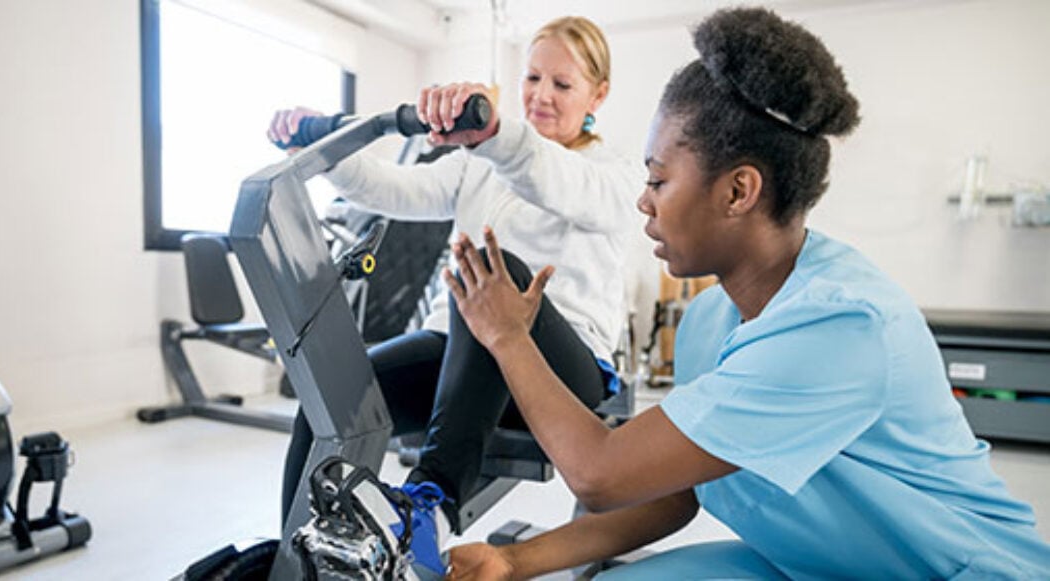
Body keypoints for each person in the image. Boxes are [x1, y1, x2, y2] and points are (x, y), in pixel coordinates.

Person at [441, 7, 1050, 580]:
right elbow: (673, 491)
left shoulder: (840, 326)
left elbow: (599, 475)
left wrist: (507, 335)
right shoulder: (711, 319)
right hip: (808, 559)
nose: (643, 201)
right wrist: (516, 563)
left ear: (738, 192)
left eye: (657, 179)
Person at [266, 16, 643, 577]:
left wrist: (495, 137)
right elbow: (392, 189)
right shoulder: (481, 163)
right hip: (459, 346)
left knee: (494, 273)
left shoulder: (613, 173)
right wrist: (320, 146)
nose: (541, 96)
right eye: (533, 78)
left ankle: (431, 504)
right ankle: (297, 561)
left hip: (562, 371)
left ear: (598, 94)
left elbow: (551, 179)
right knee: (332, 403)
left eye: (561, 85)